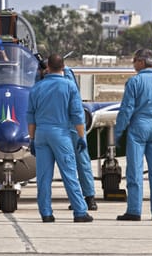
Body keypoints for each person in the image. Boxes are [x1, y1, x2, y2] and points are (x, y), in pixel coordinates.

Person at [27, 54, 93, 223]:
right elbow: (77, 115)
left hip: (41, 134)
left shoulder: (36, 88)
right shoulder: (69, 86)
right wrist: (81, 136)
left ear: (47, 67)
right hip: (61, 134)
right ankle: (79, 211)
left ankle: (46, 213)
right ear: (63, 67)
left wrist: (32, 139)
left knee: (43, 176)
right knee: (69, 173)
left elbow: (30, 116)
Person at [114, 48, 152, 221]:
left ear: (141, 62)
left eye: (134, 60)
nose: (133, 64)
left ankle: (134, 210)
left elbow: (126, 110)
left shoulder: (134, 82)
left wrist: (118, 132)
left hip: (139, 128)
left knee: (135, 170)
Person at [63, 66, 97, 211]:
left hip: (67, 124)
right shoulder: (67, 76)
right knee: (81, 161)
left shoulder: (64, 75)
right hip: (72, 124)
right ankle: (88, 198)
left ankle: (85, 198)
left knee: (73, 162)